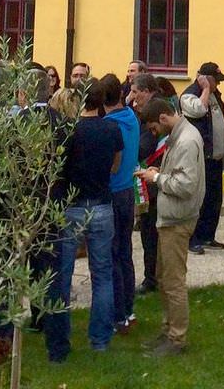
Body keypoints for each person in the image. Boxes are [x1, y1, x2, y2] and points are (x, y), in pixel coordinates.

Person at [46, 80, 122, 358]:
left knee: (61, 276)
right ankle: (100, 340)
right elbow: (115, 165)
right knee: (101, 275)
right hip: (101, 204)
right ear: (101, 101)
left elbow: (56, 169)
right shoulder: (111, 128)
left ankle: (58, 347)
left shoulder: (67, 131)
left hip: (71, 205)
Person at [142, 96, 204, 356]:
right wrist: (162, 170)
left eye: (154, 128)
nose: (154, 133)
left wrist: (156, 177)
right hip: (170, 218)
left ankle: (177, 338)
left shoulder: (187, 140)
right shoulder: (180, 135)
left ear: (164, 118)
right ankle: (168, 330)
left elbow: (186, 185)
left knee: (174, 281)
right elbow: (178, 173)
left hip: (178, 220)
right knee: (165, 278)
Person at [100, 73, 140, 333]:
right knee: (125, 253)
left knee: (112, 256)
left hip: (113, 192)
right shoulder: (131, 118)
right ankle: (129, 309)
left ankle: (117, 315)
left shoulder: (109, 125)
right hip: (128, 191)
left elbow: (109, 166)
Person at [181, 61, 224, 253]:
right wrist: (205, 89)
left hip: (215, 155)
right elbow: (199, 110)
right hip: (200, 155)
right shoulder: (189, 95)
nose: (218, 84)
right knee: (198, 199)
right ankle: (192, 239)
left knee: (214, 198)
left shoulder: (215, 94)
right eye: (215, 80)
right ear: (203, 78)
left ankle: (208, 235)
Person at [129, 73, 165, 295]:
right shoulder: (157, 106)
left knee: (150, 233)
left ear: (145, 91)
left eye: (135, 92)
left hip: (153, 179)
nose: (132, 97)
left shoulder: (152, 113)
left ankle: (152, 278)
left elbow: (144, 147)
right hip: (154, 178)